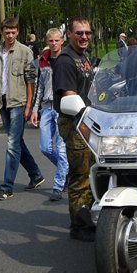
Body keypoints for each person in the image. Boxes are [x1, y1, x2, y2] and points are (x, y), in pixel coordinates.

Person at [0, 17, 44, 201]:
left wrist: (29, 106)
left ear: (18, 32)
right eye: (7, 32)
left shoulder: (25, 51)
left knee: (12, 144)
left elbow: (31, 81)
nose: (10, 35)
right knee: (17, 142)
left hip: (18, 103)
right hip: (2, 102)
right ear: (1, 32)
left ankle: (7, 187)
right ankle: (36, 175)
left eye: (13, 32)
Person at [52, 16, 96, 242]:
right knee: (80, 175)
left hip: (89, 123)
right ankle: (78, 225)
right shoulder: (66, 60)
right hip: (75, 123)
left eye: (87, 32)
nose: (84, 36)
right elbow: (69, 97)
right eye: (79, 33)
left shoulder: (83, 57)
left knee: (93, 172)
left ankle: (91, 216)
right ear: (69, 34)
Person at [30, 28, 69, 201]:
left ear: (62, 41)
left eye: (56, 40)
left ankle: (58, 186)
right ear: (47, 42)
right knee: (45, 147)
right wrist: (34, 110)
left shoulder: (67, 59)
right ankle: (65, 169)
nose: (53, 44)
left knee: (61, 149)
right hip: (46, 107)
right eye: (50, 41)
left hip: (63, 108)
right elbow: (39, 87)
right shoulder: (42, 61)